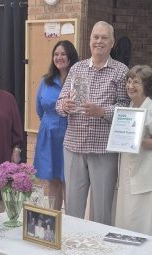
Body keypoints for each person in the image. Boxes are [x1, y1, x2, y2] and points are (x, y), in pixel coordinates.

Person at [56, 21, 130, 225]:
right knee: (73, 207)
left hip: (103, 149)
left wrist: (102, 112)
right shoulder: (77, 68)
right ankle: (72, 245)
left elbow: (126, 110)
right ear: (89, 41)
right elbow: (59, 102)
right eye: (95, 37)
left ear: (112, 42)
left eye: (104, 37)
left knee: (102, 209)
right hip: (74, 146)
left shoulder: (121, 71)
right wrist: (65, 106)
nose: (99, 41)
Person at [115, 65, 152, 236]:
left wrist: (135, 138)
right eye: (129, 81)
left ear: (147, 86)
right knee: (125, 221)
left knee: (140, 224)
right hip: (127, 175)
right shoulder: (129, 106)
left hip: (144, 176)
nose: (130, 86)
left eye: (136, 82)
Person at [34, 40, 79, 211]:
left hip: (70, 134)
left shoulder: (78, 80)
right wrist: (49, 123)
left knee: (69, 180)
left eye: (63, 54)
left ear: (71, 56)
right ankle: (53, 220)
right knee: (52, 180)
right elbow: (39, 109)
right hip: (49, 135)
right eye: (56, 54)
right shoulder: (45, 81)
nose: (59, 57)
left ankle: (70, 222)